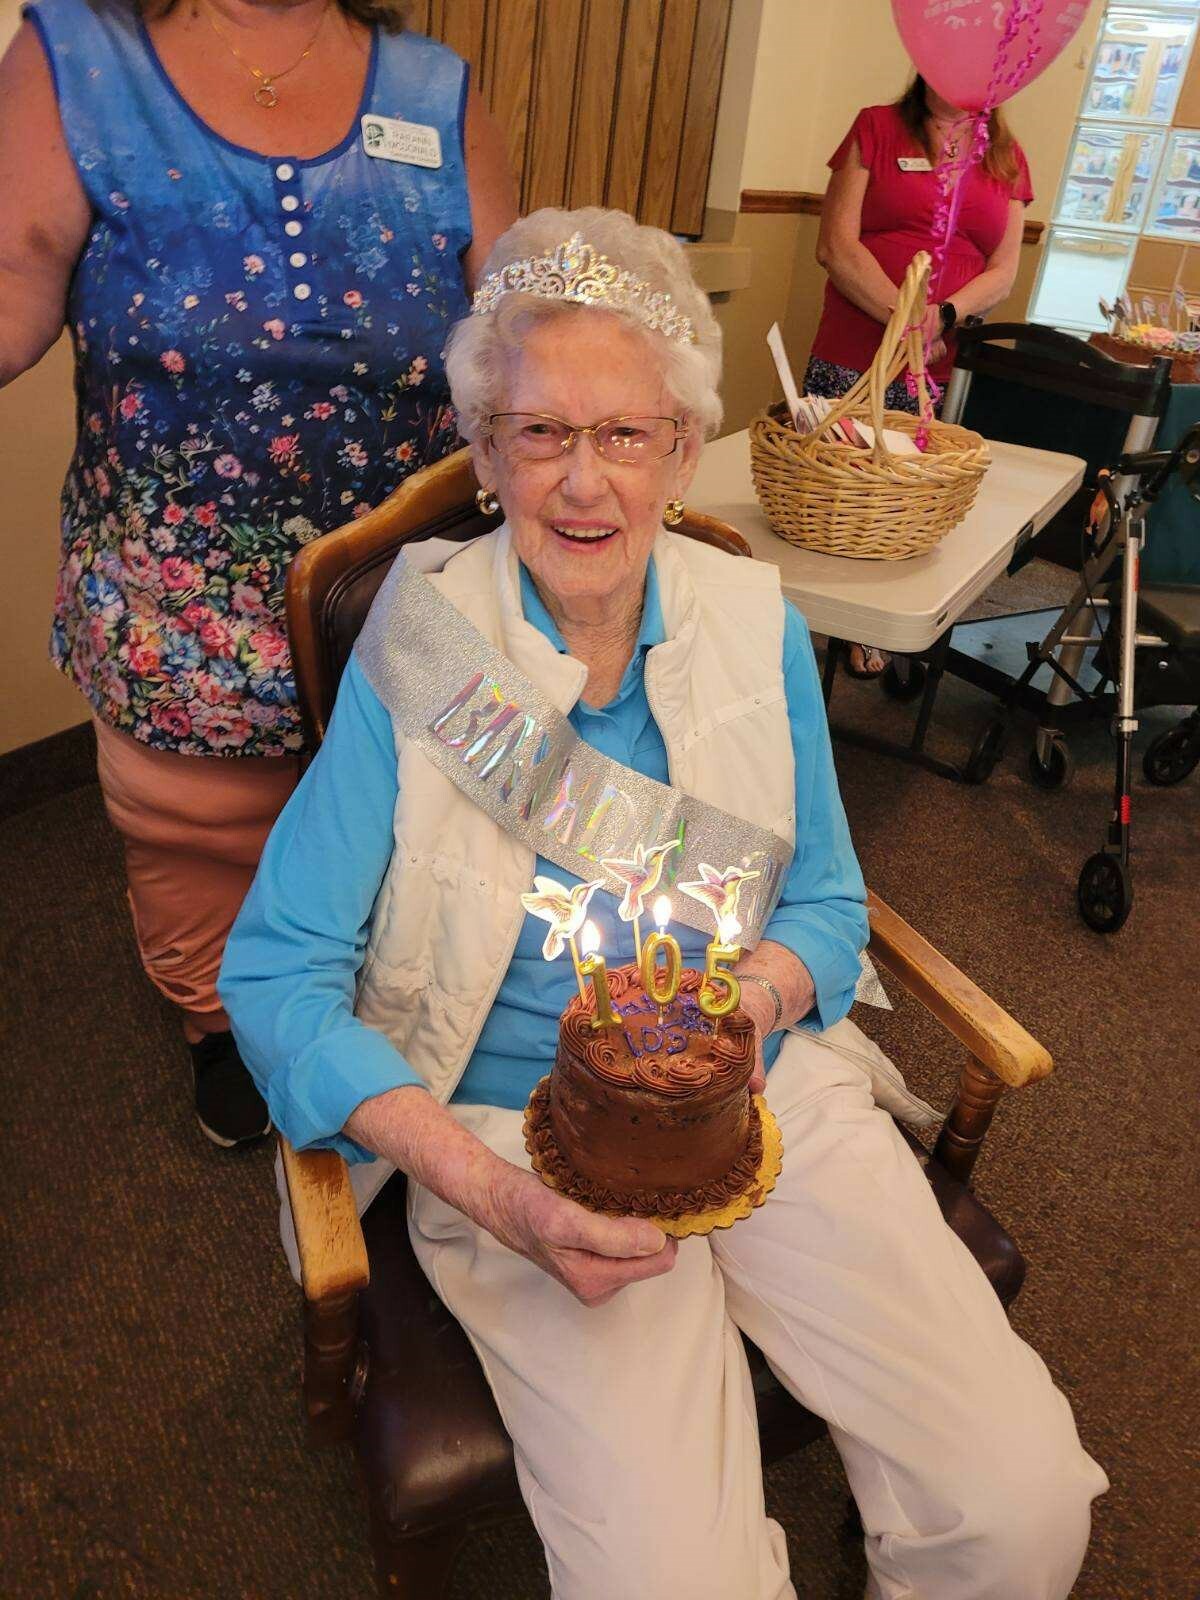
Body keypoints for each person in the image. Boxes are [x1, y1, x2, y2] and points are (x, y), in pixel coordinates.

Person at [220, 207, 1106, 1599]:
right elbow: (274, 978)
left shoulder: (755, 623)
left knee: (1023, 1507)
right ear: (488, 449)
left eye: (625, 435)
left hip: (761, 1098)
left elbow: (823, 902)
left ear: (686, 448)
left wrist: (753, 1004)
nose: (584, 484)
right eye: (539, 434)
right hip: (507, 1130)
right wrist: (487, 1195)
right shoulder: (427, 640)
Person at [0, 0, 516, 1144]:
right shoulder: (79, 54)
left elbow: (513, 330)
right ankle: (219, 1025)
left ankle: (365, 1009)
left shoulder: (434, 85)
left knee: (399, 822)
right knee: (202, 839)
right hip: (175, 604)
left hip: (402, 584)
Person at [809, 75, 1032, 677]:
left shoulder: (1008, 158)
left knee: (908, 494)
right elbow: (835, 243)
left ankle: (877, 620)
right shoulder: (876, 127)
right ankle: (820, 613)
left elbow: (1004, 269)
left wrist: (945, 317)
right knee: (844, 485)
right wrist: (904, 318)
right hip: (859, 340)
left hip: (945, 355)